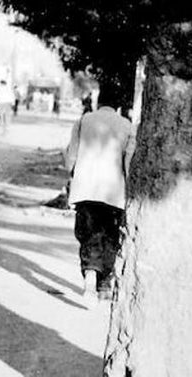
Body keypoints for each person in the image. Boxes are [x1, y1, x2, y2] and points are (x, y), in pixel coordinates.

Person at [64, 84, 135, 300]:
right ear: (119, 105)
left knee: (87, 233)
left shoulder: (83, 120)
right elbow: (128, 161)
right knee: (110, 235)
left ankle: (90, 274)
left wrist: (72, 175)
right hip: (113, 190)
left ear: (98, 101)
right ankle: (104, 284)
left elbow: (71, 155)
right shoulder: (127, 125)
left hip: (85, 188)